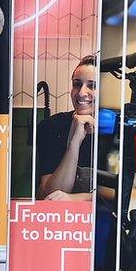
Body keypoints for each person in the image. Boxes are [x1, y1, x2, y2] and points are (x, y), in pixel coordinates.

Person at [35, 59, 100, 202]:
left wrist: (78, 198)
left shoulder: (118, 129)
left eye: (92, 86)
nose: (82, 92)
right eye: (77, 84)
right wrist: (74, 142)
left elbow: (119, 197)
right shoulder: (51, 127)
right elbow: (50, 196)